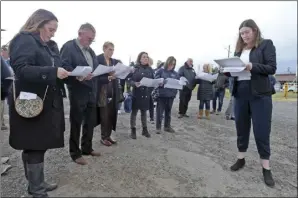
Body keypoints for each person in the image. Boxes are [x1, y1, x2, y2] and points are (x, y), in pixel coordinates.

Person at [8, 9, 69, 197]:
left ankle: (36, 183)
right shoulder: (24, 39)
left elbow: (55, 68)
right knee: (35, 144)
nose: (53, 33)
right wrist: (52, 72)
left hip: (44, 102)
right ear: (39, 24)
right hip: (31, 102)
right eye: (51, 29)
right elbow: (21, 69)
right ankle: (37, 189)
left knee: (36, 144)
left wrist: (67, 74)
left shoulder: (49, 45)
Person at [227, 19, 277, 187]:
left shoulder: (266, 44)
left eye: (247, 32)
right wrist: (226, 70)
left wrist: (251, 66)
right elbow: (233, 71)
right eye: (241, 33)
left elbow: (271, 68)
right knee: (241, 127)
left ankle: (266, 168)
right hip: (240, 93)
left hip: (260, 95)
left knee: (261, 130)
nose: (244, 35)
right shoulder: (238, 50)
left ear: (255, 30)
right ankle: (241, 159)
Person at [60, 23, 106, 165]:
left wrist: (104, 71)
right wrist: (78, 75)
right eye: (89, 38)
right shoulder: (69, 47)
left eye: (93, 39)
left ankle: (87, 147)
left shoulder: (90, 51)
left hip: (91, 90)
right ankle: (75, 153)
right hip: (78, 90)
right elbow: (63, 66)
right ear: (80, 34)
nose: (91, 41)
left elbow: (96, 67)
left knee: (90, 121)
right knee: (76, 121)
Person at [95, 42, 120, 147]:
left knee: (111, 114)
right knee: (104, 115)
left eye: (113, 50)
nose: (112, 52)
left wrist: (117, 74)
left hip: (112, 90)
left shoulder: (114, 61)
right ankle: (103, 137)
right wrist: (108, 77)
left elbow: (117, 74)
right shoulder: (97, 59)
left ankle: (108, 135)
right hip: (102, 91)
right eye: (110, 49)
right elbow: (95, 76)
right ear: (104, 49)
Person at [128, 52, 154, 139]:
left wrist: (154, 85)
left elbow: (153, 81)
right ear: (140, 59)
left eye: (147, 57)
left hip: (146, 94)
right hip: (137, 94)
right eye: (144, 57)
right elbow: (129, 80)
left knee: (144, 112)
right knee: (134, 112)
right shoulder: (135, 69)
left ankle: (144, 130)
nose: (146, 58)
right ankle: (133, 130)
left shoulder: (150, 69)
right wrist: (134, 83)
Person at [154, 56, 179, 134]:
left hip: (171, 95)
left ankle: (167, 127)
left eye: (173, 64)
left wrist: (180, 83)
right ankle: (158, 128)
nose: (172, 65)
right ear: (167, 62)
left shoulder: (175, 73)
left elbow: (177, 83)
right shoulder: (161, 71)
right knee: (159, 112)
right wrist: (161, 82)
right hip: (161, 95)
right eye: (171, 64)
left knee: (168, 112)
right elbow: (155, 80)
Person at [148, 56, 155, 123]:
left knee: (151, 104)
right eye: (150, 63)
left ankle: (151, 117)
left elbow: (153, 79)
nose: (150, 64)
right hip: (143, 89)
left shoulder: (152, 70)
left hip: (149, 90)